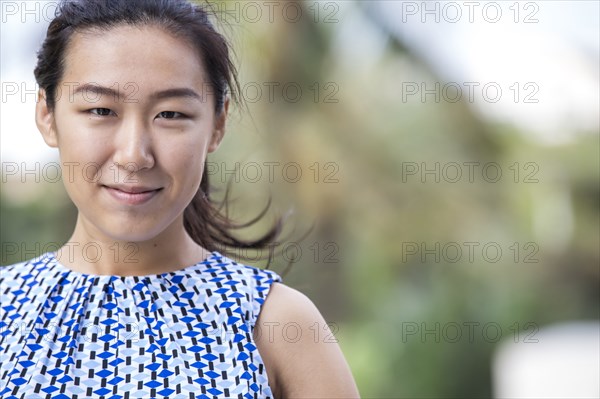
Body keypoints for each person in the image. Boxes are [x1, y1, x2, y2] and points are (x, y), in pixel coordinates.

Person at [0, 0, 360, 398]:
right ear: (47, 116)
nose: (135, 154)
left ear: (217, 124)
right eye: (101, 109)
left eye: (170, 114)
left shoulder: (278, 324)